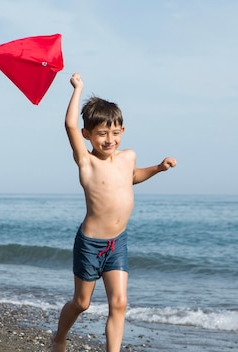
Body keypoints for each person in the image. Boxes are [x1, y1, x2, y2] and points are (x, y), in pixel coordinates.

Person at [52, 73, 177, 352]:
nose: (110, 140)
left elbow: (132, 177)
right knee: (82, 303)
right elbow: (69, 123)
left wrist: (157, 168)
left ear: (123, 130)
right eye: (102, 134)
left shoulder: (127, 157)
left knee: (119, 303)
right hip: (90, 243)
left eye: (115, 133)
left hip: (117, 241)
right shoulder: (86, 161)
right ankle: (59, 337)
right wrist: (78, 89)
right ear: (88, 135)